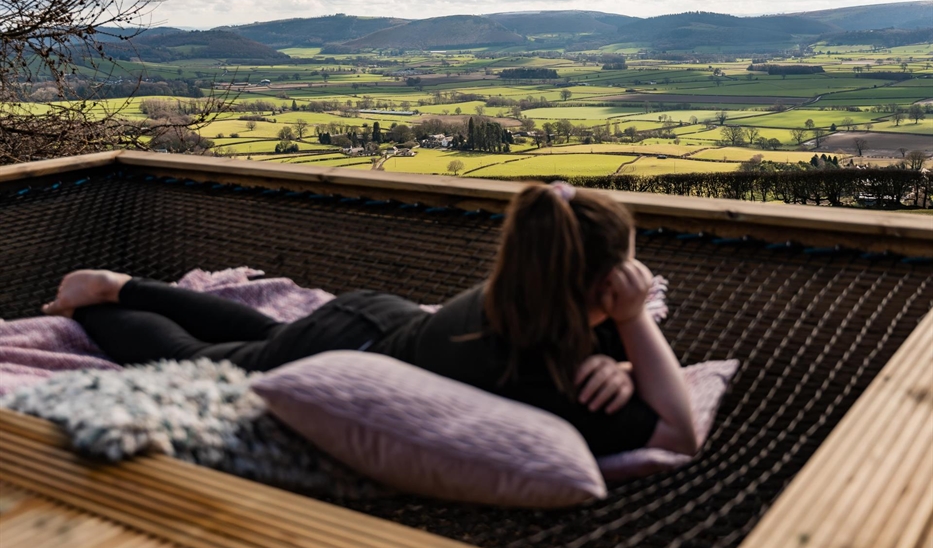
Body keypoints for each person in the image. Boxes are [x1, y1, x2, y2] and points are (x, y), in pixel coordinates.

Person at [43, 182, 696, 457]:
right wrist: (632, 326)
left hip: (371, 318)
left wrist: (614, 353)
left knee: (264, 337)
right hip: (342, 350)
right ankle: (100, 302)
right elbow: (677, 431)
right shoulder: (544, 375)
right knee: (204, 363)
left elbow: (577, 335)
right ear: (604, 285)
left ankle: (125, 283)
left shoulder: (518, 295)